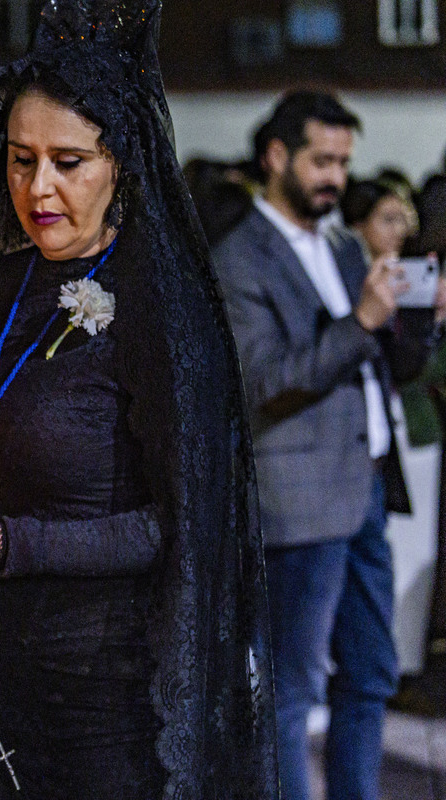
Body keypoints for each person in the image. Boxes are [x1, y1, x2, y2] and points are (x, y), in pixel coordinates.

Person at [0, 3, 277, 798]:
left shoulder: (153, 301)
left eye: (68, 162)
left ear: (121, 166)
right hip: (10, 672)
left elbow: (182, 525)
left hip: (115, 688)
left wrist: (8, 545)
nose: (37, 188)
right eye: (19, 159)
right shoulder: (2, 286)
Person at [214, 91, 444, 800]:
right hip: (302, 499)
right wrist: (362, 321)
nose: (336, 177)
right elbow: (263, 382)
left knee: (372, 670)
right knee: (294, 686)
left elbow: (379, 362)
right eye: (322, 160)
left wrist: (419, 321)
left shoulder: (344, 245)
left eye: (344, 162)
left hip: (367, 483)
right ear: (276, 156)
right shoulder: (240, 257)